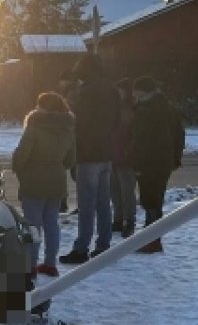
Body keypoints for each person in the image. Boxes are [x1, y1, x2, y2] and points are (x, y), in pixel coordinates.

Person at [59, 52, 121, 265]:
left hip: (87, 154)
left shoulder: (87, 92)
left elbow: (80, 124)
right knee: (104, 203)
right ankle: (103, 245)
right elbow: (116, 121)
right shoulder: (111, 90)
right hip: (106, 153)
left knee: (87, 205)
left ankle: (81, 248)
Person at [12, 92, 76, 279]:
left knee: (31, 225)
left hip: (33, 179)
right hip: (56, 180)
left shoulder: (35, 126)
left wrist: (18, 168)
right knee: (51, 223)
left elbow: (23, 153)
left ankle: (29, 265)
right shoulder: (68, 128)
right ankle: (50, 263)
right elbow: (70, 159)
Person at [130, 76, 185, 253]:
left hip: (149, 161)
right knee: (156, 198)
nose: (133, 94)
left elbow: (140, 139)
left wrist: (136, 162)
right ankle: (153, 236)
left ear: (144, 92)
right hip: (164, 160)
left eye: (136, 91)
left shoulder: (145, 110)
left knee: (150, 199)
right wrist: (176, 157)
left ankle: (151, 239)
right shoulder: (168, 108)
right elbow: (179, 134)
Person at [110, 78, 138, 239]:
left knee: (127, 191)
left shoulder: (131, 109)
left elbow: (132, 132)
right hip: (113, 154)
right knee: (115, 191)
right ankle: (118, 219)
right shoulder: (115, 107)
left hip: (125, 156)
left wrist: (129, 151)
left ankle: (129, 221)